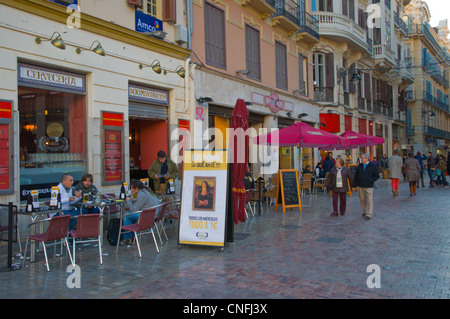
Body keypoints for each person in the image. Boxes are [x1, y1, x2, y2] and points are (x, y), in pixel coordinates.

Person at [121, 179, 161, 246]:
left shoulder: (141, 194)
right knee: (130, 215)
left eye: (131, 188)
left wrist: (128, 200)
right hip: (154, 214)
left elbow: (134, 209)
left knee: (127, 215)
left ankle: (127, 238)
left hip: (149, 216)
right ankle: (132, 235)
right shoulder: (146, 191)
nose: (131, 190)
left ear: (136, 188)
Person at [352, 153, 379, 220]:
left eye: (363, 158)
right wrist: (354, 185)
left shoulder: (372, 166)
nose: (361, 159)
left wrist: (371, 180)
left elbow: (377, 176)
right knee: (362, 199)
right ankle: (364, 211)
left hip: (369, 186)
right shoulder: (359, 166)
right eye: (361, 158)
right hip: (360, 186)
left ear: (367, 158)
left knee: (369, 200)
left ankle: (369, 214)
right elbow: (356, 176)